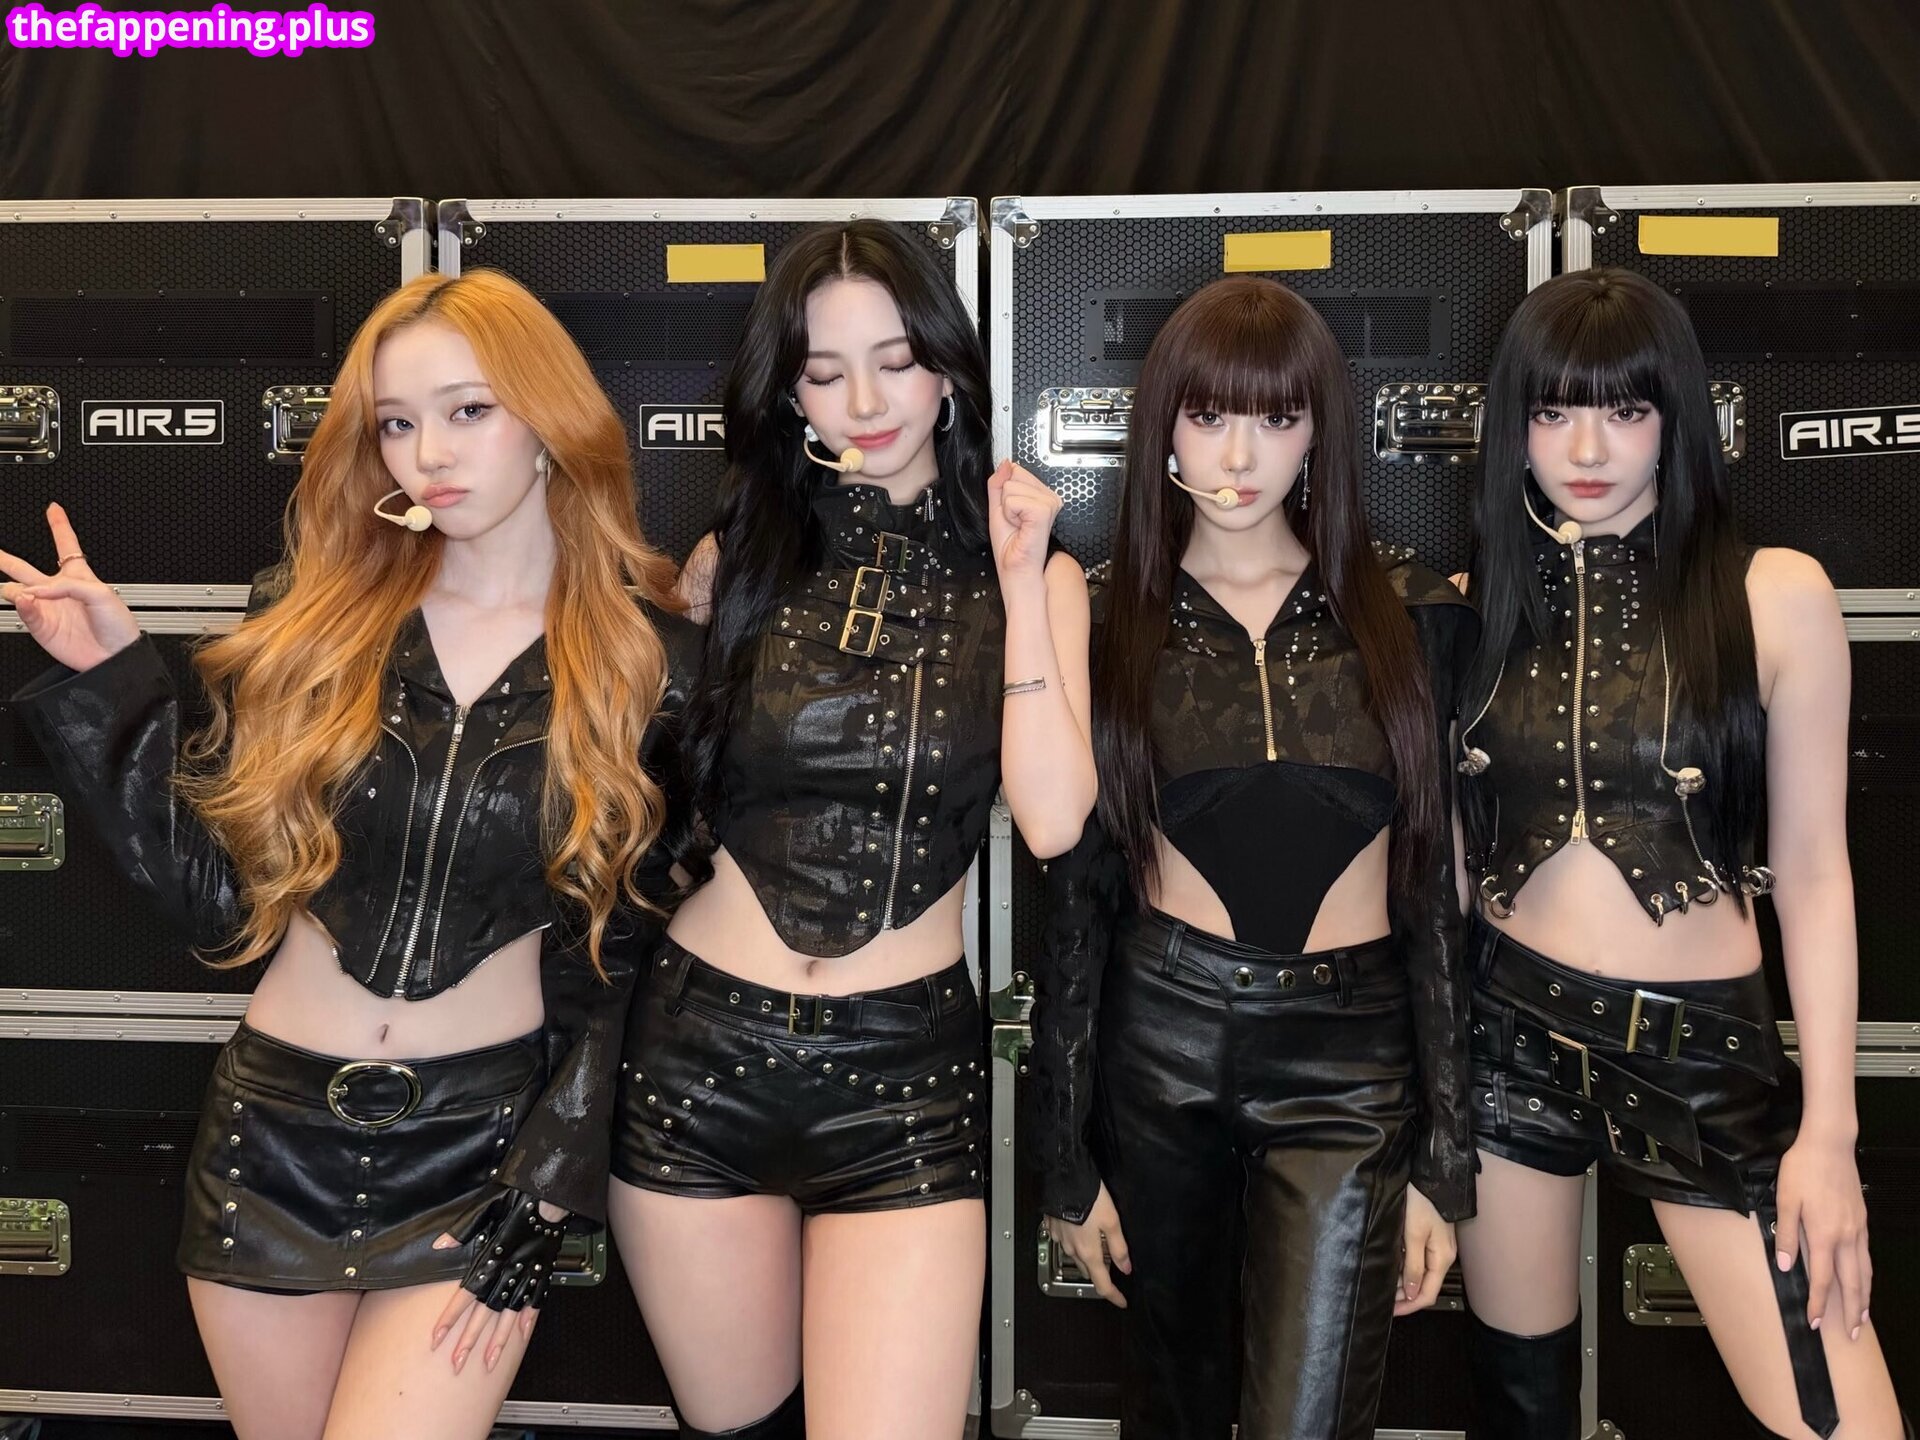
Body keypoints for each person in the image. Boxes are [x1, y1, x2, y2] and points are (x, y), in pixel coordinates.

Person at [0, 268, 694, 1440]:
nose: (430, 453)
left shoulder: (644, 662)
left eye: (468, 410)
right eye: (396, 423)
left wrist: (551, 1176)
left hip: (475, 1151)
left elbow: (633, 961)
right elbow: (217, 901)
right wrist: (113, 682)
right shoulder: (317, 618)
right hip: (270, 1139)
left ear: (550, 418)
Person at [606, 217, 1095, 1440]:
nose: (866, 403)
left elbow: (1052, 821)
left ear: (950, 367)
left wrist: (1021, 581)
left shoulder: (1037, 577)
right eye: (825, 373)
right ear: (788, 393)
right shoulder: (736, 559)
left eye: (895, 361)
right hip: (700, 1059)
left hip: (905, 1081)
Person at [1451, 266, 1907, 1439]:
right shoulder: (1471, 608)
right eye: (1554, 411)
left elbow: (1817, 873)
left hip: (1701, 1055)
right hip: (1506, 1042)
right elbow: (1446, 870)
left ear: (1679, 416)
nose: (1586, 447)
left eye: (1626, 410)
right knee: (1520, 1405)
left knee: (1843, 1423)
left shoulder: (1777, 595)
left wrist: (1830, 1132)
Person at [1028, 275, 1477, 1440]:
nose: (1239, 455)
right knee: (1173, 1407)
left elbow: (1435, 890)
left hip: (1350, 1061)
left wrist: (1446, 1160)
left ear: (1319, 429)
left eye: (1277, 418)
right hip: (1161, 1045)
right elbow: (1075, 900)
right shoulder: (1105, 613)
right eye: (1209, 414)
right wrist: (1065, 1159)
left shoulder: (1410, 610)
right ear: (1164, 424)